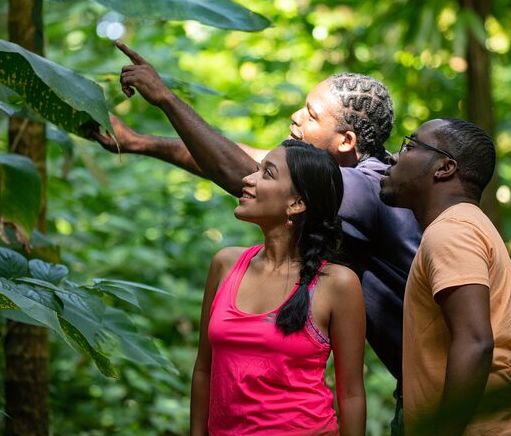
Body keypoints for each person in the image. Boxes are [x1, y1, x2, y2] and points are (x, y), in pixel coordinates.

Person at [89, 43, 421, 433]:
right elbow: (241, 160)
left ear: (345, 141)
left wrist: (165, 99)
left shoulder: (366, 189)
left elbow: (236, 168)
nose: (295, 117)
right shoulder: (310, 191)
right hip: (416, 384)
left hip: (450, 386)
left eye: (311, 115)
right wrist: (140, 143)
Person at [379, 118, 511, 435]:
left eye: (410, 145)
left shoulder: (452, 231)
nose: (393, 156)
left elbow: (475, 343)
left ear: (444, 168)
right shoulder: (467, 225)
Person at [191, 139, 366, 435]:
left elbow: (351, 393)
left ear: (296, 204)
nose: (248, 179)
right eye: (257, 170)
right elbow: (203, 370)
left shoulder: (337, 283)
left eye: (266, 174)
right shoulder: (225, 263)